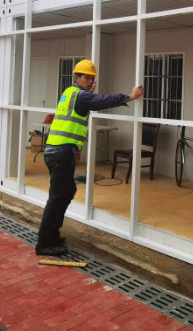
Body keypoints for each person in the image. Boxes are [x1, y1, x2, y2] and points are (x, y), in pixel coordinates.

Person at [35, 59, 144, 256]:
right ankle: (45, 243)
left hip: (57, 151)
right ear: (76, 77)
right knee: (58, 197)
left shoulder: (70, 92)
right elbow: (102, 101)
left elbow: (83, 108)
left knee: (66, 192)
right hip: (60, 153)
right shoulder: (81, 96)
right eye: (87, 77)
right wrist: (130, 96)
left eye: (93, 78)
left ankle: (51, 236)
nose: (91, 81)